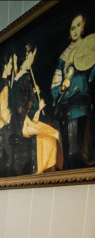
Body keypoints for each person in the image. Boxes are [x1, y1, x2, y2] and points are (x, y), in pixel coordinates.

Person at [9, 44, 62, 175]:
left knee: (49, 130)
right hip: (25, 124)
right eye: (32, 56)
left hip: (19, 122)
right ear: (28, 56)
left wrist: (35, 95)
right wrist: (39, 107)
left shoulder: (18, 78)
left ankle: (45, 168)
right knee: (55, 132)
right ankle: (47, 168)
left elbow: (21, 103)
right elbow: (25, 108)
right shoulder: (25, 77)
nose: (32, 60)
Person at [50, 14, 95, 169]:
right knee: (72, 154)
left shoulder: (90, 48)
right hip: (69, 107)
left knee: (86, 148)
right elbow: (55, 84)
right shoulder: (63, 57)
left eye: (78, 25)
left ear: (83, 27)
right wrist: (62, 87)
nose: (75, 30)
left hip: (85, 102)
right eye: (72, 27)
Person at [0, 55, 14, 178]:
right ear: (5, 66)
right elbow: (5, 115)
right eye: (10, 64)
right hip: (3, 132)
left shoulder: (2, 86)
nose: (11, 67)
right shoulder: (5, 87)